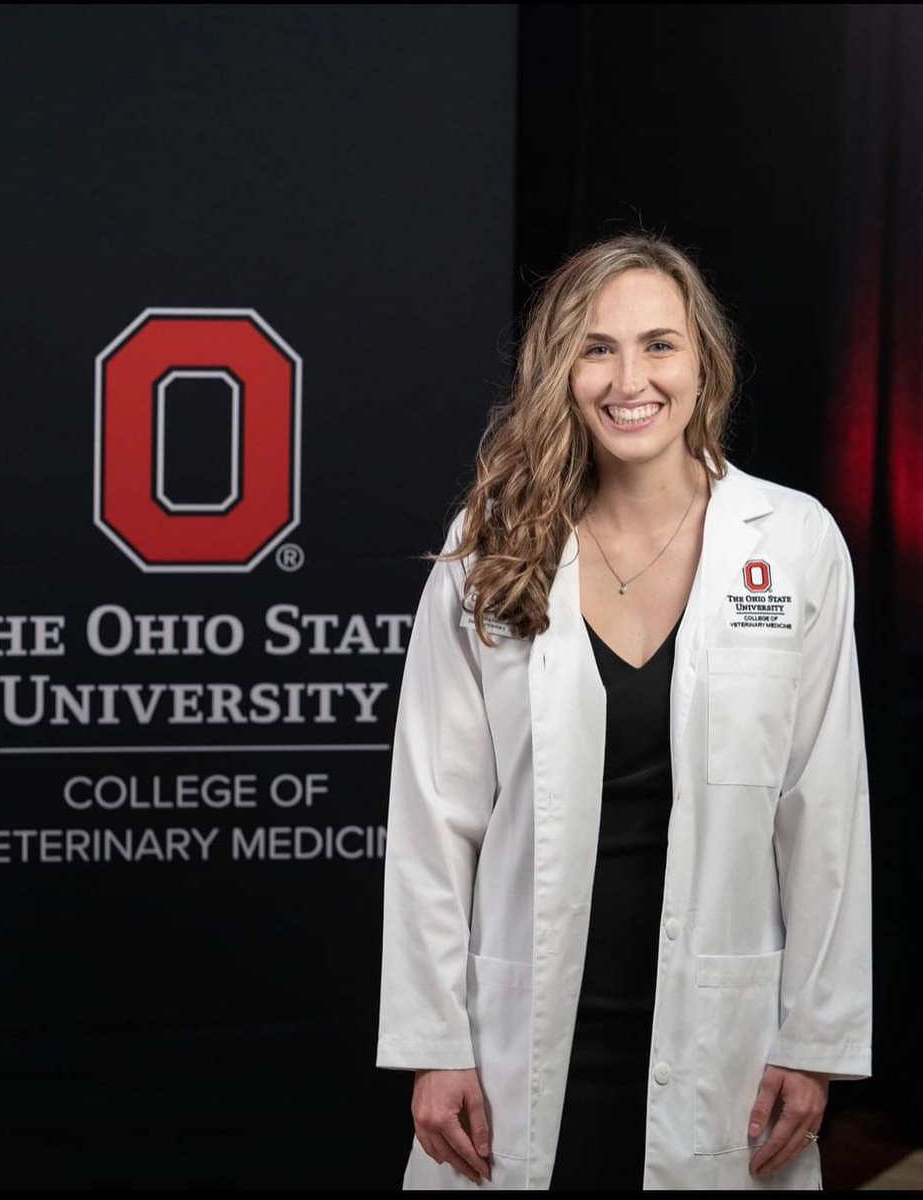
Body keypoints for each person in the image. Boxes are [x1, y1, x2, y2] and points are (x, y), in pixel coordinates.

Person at [376, 233, 872, 1190]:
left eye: (658, 344)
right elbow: (435, 815)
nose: (627, 378)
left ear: (703, 363)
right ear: (560, 368)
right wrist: (435, 1041)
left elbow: (825, 814)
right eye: (596, 348)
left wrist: (814, 1038)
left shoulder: (796, 542)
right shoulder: (491, 545)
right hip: (516, 1035)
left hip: (722, 1036)